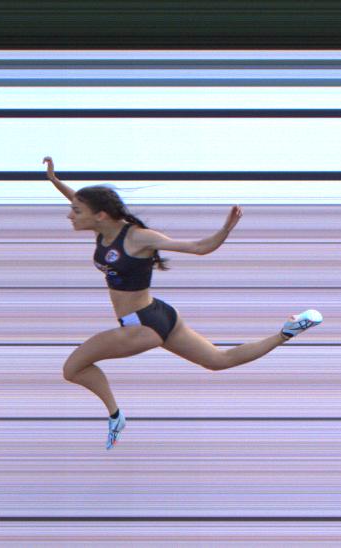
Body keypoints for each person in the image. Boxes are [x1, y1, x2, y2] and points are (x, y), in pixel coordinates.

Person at [44, 157, 324, 449]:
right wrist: (54, 180)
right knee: (218, 361)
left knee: (73, 368)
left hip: (141, 326)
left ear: (100, 215)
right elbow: (80, 202)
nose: (70, 215)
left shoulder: (139, 238)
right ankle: (286, 332)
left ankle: (116, 416)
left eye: (76, 211)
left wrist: (225, 230)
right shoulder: (103, 228)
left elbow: (199, 247)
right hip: (159, 314)